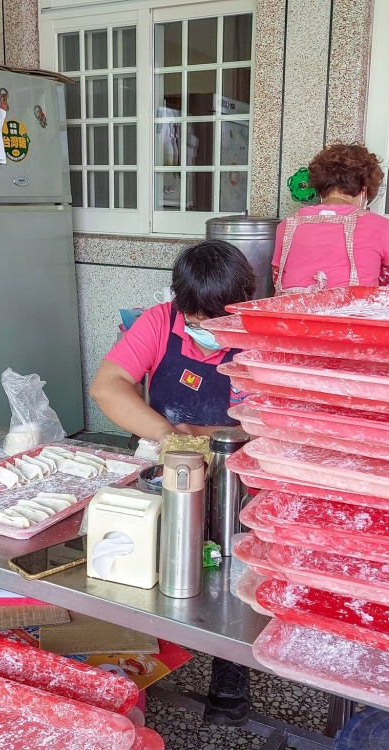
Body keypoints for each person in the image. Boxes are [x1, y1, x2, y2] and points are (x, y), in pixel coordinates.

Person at [90, 240, 255, 725]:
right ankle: (138, 658)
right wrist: (167, 435)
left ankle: (230, 673)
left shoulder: (265, 335)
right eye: (198, 320)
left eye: (218, 320)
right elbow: (109, 384)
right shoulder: (160, 321)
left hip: (239, 469)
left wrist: (215, 436)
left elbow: (286, 418)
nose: (207, 330)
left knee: (230, 568)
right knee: (149, 555)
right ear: (180, 303)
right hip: (166, 458)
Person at [272, 143, 389, 294]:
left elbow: (277, 276)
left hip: (293, 314)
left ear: (319, 187)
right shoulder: (381, 226)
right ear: (364, 189)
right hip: (351, 314)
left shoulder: (286, 225)